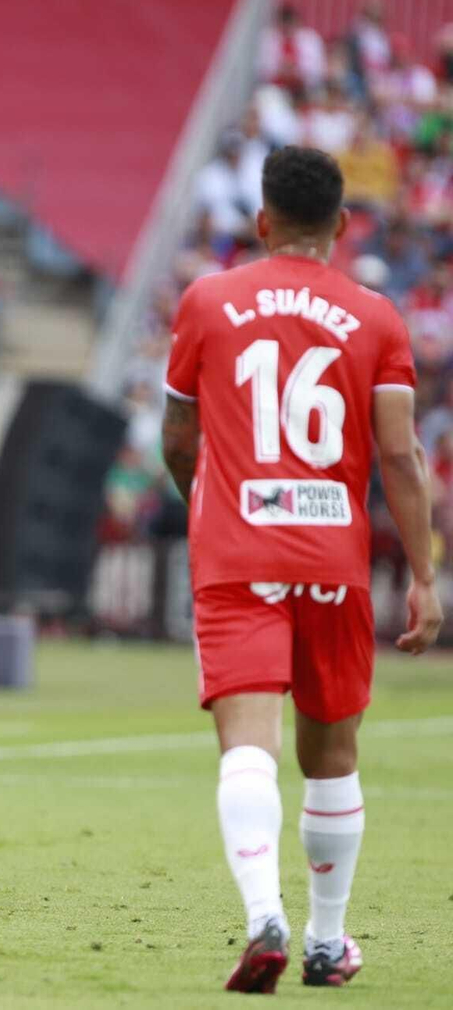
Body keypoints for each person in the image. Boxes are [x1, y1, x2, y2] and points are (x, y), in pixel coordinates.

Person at [160, 146, 440, 992]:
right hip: (333, 560)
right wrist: (424, 576)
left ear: (261, 220)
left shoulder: (208, 300)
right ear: (343, 225)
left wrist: (204, 499)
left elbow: (178, 437)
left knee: (248, 746)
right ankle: (326, 939)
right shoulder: (377, 317)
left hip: (238, 552)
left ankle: (263, 919)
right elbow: (402, 455)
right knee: (333, 753)